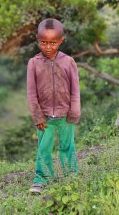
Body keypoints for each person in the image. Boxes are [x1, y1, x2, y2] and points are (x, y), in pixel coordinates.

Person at [26, 18, 80, 194]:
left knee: (67, 146)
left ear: (61, 41)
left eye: (53, 43)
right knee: (44, 148)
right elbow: (31, 93)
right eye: (43, 42)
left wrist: (74, 112)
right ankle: (41, 179)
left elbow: (75, 89)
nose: (48, 47)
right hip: (45, 117)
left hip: (66, 115)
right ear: (37, 39)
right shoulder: (33, 63)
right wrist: (37, 116)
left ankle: (71, 177)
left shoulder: (68, 62)